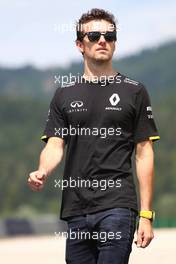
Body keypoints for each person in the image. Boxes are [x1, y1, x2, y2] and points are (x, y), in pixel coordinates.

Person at [28, 8, 160, 264]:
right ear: (80, 44)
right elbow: (55, 144)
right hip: (76, 209)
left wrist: (146, 214)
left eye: (109, 36)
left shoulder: (135, 91)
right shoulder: (63, 94)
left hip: (118, 206)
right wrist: (42, 170)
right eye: (95, 35)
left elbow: (144, 153)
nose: (103, 40)